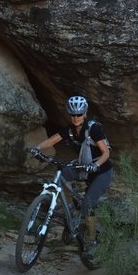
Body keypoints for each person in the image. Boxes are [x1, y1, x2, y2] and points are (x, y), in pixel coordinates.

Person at [30, 95, 113, 247]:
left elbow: (106, 153)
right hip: (83, 168)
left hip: (101, 172)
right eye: (72, 115)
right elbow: (53, 139)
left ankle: (92, 239)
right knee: (63, 174)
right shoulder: (69, 130)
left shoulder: (93, 128)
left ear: (85, 113)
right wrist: (37, 148)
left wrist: (96, 165)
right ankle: (69, 209)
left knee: (88, 204)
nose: (75, 118)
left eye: (79, 114)